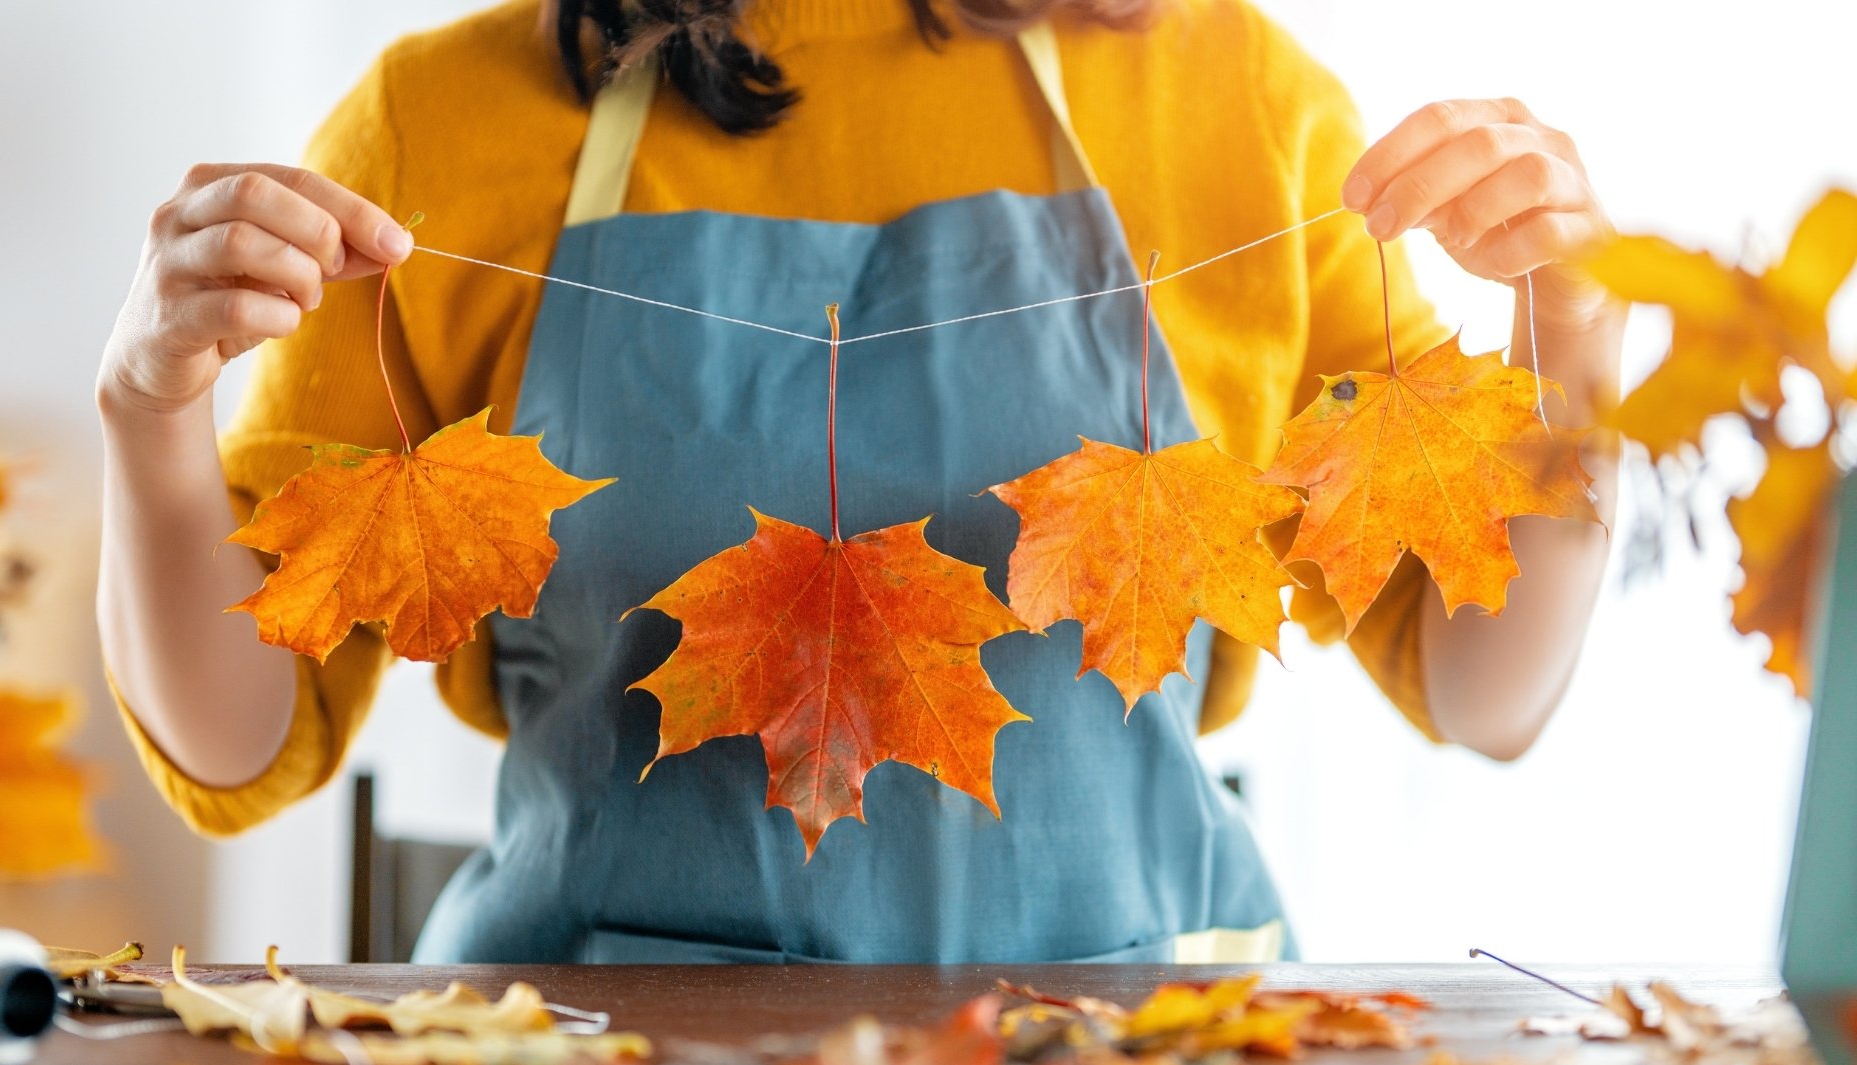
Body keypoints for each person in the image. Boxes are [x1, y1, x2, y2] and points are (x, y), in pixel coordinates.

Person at [95, 0, 1621, 964]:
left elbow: (1485, 685)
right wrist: (149, 416)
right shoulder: (440, 120)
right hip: (590, 1041)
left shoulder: (1244, 97)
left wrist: (1579, 335)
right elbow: (243, 737)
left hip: (1138, 1044)